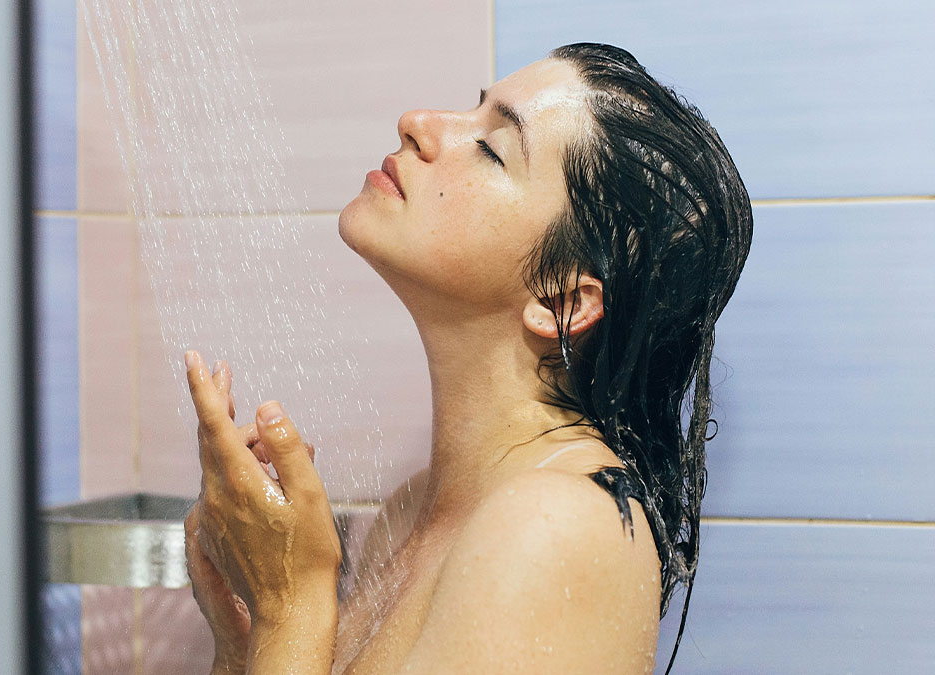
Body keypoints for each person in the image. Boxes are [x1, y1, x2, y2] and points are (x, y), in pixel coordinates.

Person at [182, 42, 752, 674]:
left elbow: (296, 619)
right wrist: (246, 641)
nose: (418, 122)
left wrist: (292, 604)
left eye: (491, 148)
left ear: (560, 298)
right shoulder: (409, 513)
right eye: (473, 112)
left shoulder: (561, 522)